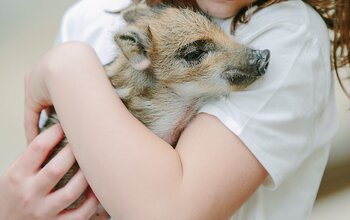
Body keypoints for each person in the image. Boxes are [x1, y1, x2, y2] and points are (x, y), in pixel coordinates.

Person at [1, 0, 349, 219]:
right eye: (196, 53)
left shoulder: (286, 33)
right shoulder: (91, 16)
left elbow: (171, 211)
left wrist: (66, 65)